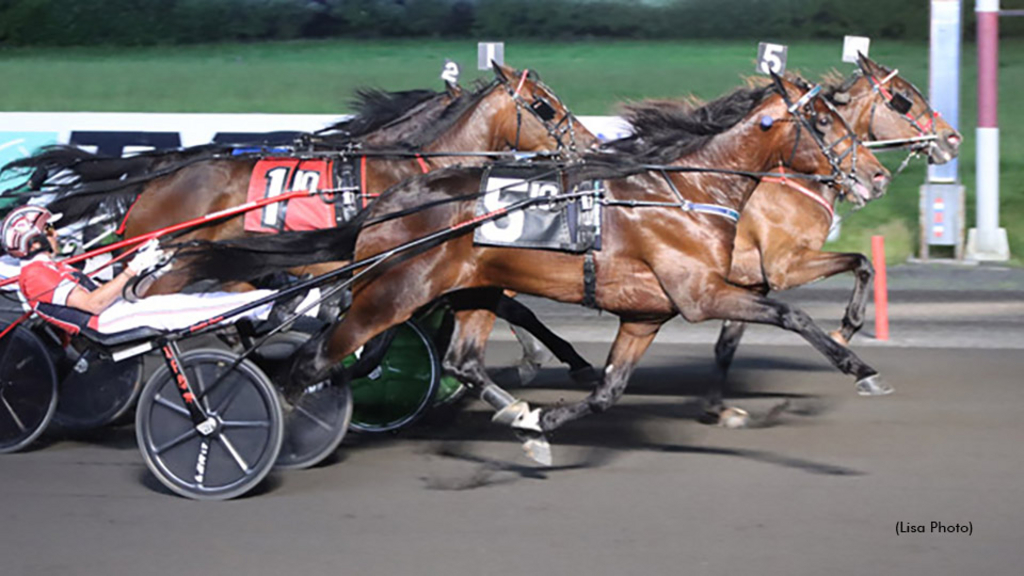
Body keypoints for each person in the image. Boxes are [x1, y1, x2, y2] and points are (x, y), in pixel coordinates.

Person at [2, 205, 277, 335]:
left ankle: (268, 304)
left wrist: (153, 272)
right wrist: (132, 269)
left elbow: (121, 295)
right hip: (108, 322)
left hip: (119, 312)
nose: (56, 233)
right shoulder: (36, 274)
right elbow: (94, 304)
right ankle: (271, 305)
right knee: (202, 308)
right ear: (33, 239)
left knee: (199, 302)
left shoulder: (51, 267)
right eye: (49, 228)